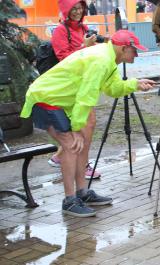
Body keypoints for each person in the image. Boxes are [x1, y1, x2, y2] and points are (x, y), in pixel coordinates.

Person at [20, 30, 156, 217]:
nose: (137, 55)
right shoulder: (100, 60)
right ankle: (69, 201)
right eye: (135, 51)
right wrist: (75, 130)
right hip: (45, 98)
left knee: (80, 142)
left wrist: (135, 84)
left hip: (60, 101)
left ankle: (82, 193)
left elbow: (113, 88)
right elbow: (86, 98)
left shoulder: (109, 58)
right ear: (124, 49)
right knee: (71, 145)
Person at [50, 0, 102, 180]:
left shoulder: (83, 28)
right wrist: (83, 47)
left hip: (84, 82)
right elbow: (63, 59)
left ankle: (60, 156)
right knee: (87, 123)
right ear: (66, 10)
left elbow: (89, 54)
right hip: (70, 86)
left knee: (84, 124)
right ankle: (83, 165)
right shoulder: (60, 31)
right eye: (73, 9)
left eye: (80, 8)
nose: (77, 12)